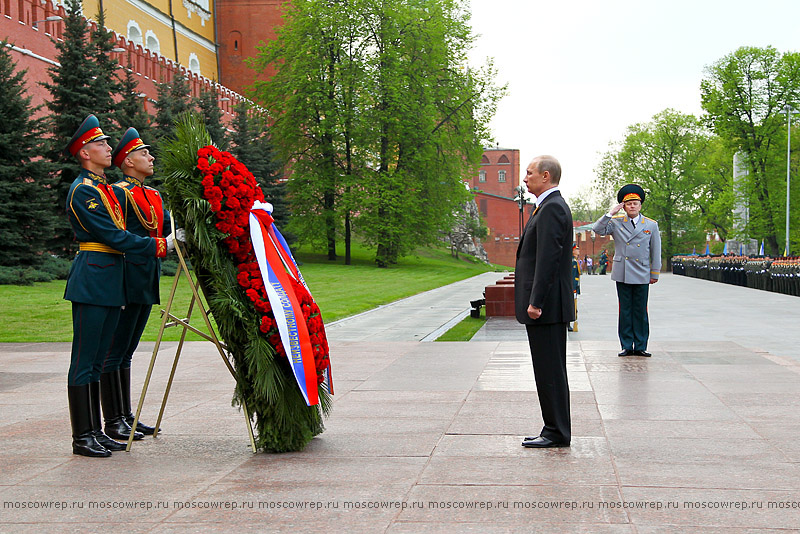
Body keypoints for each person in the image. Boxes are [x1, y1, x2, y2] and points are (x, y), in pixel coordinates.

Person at [64, 115, 173, 458]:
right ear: (84, 152)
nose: (108, 148)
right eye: (101, 144)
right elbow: (114, 236)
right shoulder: (84, 191)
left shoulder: (101, 189)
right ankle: (83, 436)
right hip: (93, 279)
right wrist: (161, 246)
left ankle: (98, 430)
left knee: (99, 360)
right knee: (84, 361)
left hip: (110, 279)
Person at [105, 128, 173, 437]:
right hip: (125, 277)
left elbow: (166, 227)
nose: (151, 157)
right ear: (128, 161)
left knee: (128, 350)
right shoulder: (119, 191)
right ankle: (114, 418)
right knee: (115, 349)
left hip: (147, 278)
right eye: (144, 153)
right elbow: (119, 236)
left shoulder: (153, 194)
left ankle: (126, 415)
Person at [514, 155, 574, 448]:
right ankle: (553, 428)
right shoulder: (547, 207)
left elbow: (548, 259)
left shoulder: (551, 209)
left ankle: (556, 432)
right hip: (546, 306)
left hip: (546, 308)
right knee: (548, 369)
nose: (525, 179)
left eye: (529, 173)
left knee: (550, 370)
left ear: (545, 176)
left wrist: (536, 301)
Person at [592, 184, 661, 357]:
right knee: (625, 310)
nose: (632, 206)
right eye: (628, 203)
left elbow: (656, 250)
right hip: (623, 271)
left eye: (635, 203)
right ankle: (626, 345)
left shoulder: (651, 225)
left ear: (640, 205)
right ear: (623, 206)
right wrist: (610, 213)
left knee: (640, 310)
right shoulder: (615, 223)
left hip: (642, 272)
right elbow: (597, 229)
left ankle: (640, 345)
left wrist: (655, 273)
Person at [569, 244, 580, 332]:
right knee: (571, 304)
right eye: (576, 249)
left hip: (574, 286)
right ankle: (568, 324)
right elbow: (572, 276)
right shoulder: (573, 262)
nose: (578, 251)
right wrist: (573, 288)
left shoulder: (574, 260)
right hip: (573, 288)